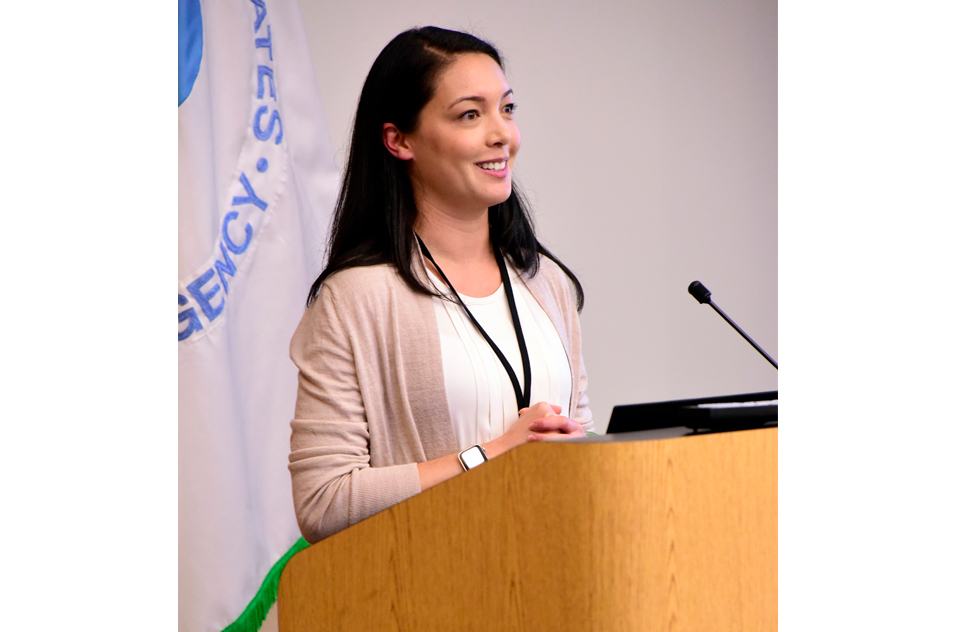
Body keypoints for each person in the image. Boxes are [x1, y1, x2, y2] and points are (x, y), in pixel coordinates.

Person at [289, 26, 594, 544]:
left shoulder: (547, 282)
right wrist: (491, 455)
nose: (502, 134)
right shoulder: (357, 297)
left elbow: (582, 443)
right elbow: (324, 500)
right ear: (399, 140)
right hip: (429, 593)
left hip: (549, 582)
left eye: (507, 108)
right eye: (470, 115)